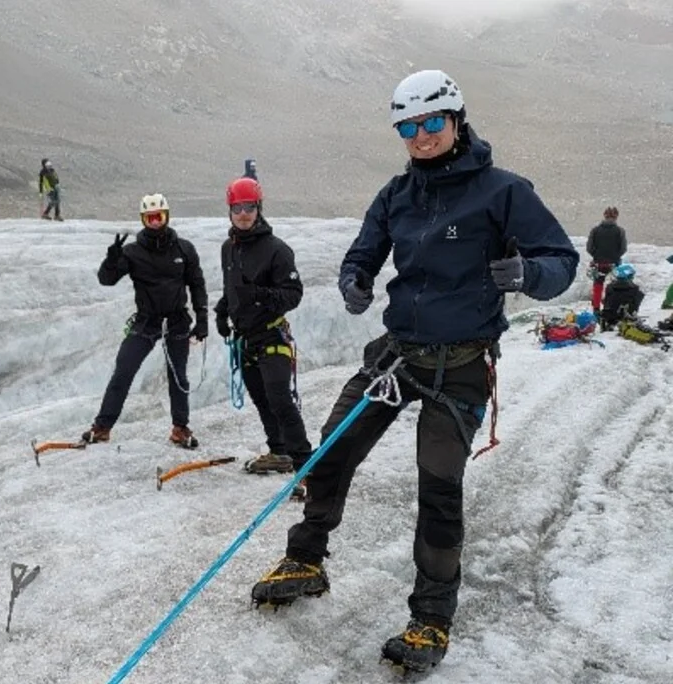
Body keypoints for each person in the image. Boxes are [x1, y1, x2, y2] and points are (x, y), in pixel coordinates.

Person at [248, 70, 578, 672]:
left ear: (456, 120)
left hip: (462, 364)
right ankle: (306, 559)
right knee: (333, 448)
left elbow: (561, 259)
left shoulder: (503, 191)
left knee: (439, 486)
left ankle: (430, 618)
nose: (421, 137)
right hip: (399, 353)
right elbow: (363, 252)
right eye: (408, 127)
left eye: (431, 123)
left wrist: (530, 276)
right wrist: (355, 279)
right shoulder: (396, 195)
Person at [81, 194, 208, 449]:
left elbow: (197, 283)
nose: (155, 222)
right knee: (123, 372)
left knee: (178, 376)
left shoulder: (184, 249)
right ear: (143, 219)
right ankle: (103, 427)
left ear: (167, 216)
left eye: (159, 216)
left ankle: (180, 428)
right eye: (150, 217)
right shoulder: (132, 251)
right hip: (145, 322)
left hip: (176, 321)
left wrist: (202, 317)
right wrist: (111, 260)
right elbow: (106, 280)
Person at [213, 177, 312, 495]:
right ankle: (280, 452)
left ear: (259, 208)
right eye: (238, 208)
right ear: (230, 210)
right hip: (245, 339)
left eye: (249, 207)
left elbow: (293, 294)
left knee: (281, 399)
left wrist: (259, 296)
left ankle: (307, 469)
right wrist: (222, 310)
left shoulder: (277, 250)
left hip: (271, 336)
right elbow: (232, 289)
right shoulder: (228, 249)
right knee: (262, 399)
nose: (244, 214)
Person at [586, 206, 627, 314]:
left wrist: (596, 256)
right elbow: (623, 248)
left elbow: (589, 248)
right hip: (614, 263)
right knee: (615, 286)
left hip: (598, 263)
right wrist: (615, 257)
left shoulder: (595, 230)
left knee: (598, 286)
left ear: (604, 215)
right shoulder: (620, 231)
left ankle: (596, 309)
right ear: (616, 217)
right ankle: (611, 305)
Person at [598, 263, 643, 330]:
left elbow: (606, 301)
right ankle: (631, 315)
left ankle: (609, 322)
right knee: (639, 295)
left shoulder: (609, 287)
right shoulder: (635, 289)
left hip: (609, 315)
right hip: (626, 315)